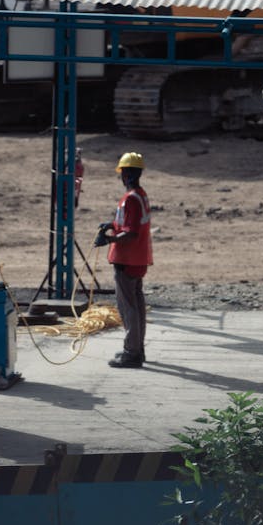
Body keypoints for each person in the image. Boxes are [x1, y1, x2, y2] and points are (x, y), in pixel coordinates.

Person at [95, 152, 153, 368]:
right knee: (136, 307)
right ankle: (137, 348)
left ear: (127, 174)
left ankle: (132, 353)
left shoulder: (130, 199)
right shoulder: (140, 195)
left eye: (123, 172)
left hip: (127, 260)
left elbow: (130, 233)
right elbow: (129, 224)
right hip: (138, 259)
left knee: (128, 308)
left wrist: (108, 240)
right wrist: (112, 224)